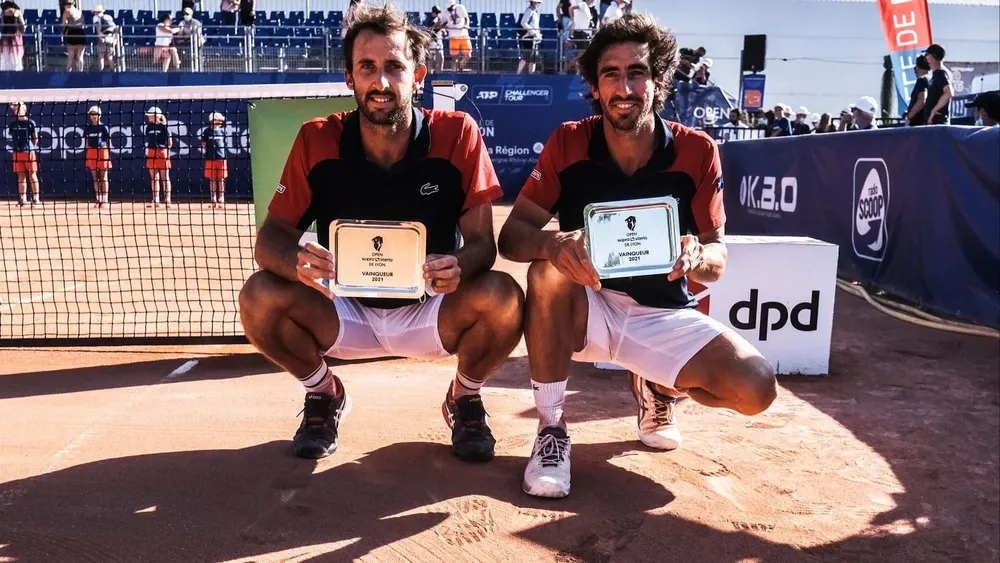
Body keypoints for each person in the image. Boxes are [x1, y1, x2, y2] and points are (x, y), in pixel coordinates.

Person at [497, 12, 776, 499]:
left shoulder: (697, 151)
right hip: (588, 308)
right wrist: (551, 243)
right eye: (611, 74)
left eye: (637, 72)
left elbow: (718, 255)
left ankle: (657, 386)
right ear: (595, 85)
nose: (624, 87)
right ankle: (551, 429)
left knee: (757, 388)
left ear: (660, 79)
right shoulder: (568, 141)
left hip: (662, 314)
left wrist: (695, 258)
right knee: (547, 271)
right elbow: (513, 235)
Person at [238, 4, 524, 462]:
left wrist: (460, 264)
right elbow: (270, 239)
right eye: (367, 67)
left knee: (504, 296)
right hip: (343, 309)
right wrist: (296, 263)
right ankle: (324, 393)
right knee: (258, 295)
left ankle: (464, 398)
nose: (382, 82)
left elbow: (482, 245)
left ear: (419, 75)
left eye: (394, 66)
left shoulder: (459, 134)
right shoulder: (317, 138)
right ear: (349, 78)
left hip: (431, 308)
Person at [7, 102, 40, 207]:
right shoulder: (13, 124)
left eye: (19, 109)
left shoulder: (30, 123)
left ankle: (36, 199)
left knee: (32, 175)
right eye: (15, 109)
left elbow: (35, 138)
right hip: (17, 152)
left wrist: (30, 148)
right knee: (21, 176)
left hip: (29, 152)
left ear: (24, 110)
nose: (16, 111)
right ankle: (23, 199)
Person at [144, 107, 172, 208]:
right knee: (154, 178)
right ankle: (155, 199)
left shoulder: (164, 127)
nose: (148, 117)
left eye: (150, 115)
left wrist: (165, 153)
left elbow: (170, 143)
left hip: (162, 152)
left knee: (165, 177)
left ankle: (167, 199)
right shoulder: (148, 127)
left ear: (155, 116)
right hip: (151, 153)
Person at [84, 106, 112, 208]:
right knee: (95, 177)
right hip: (92, 152)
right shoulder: (88, 128)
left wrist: (107, 154)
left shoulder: (104, 127)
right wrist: (88, 150)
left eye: (95, 114)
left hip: (102, 151)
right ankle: (98, 199)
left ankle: (105, 199)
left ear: (99, 115)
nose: (93, 116)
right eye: (91, 114)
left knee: (104, 177)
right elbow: (87, 141)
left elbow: (109, 141)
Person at [201, 111, 228, 208]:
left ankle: (221, 198)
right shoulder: (206, 132)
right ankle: (213, 199)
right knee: (212, 179)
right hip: (210, 159)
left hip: (221, 158)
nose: (221, 121)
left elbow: (225, 144)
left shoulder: (222, 131)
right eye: (219, 120)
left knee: (220, 179)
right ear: (213, 120)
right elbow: (203, 144)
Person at [923, 44, 952, 125]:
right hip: (934, 122)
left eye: (927, 55)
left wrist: (933, 111)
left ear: (933, 56)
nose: (925, 58)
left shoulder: (940, 73)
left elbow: (949, 93)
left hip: (937, 122)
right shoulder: (936, 74)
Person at [444, 0, 471, 72]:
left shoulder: (461, 8)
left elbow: (466, 18)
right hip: (453, 37)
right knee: (454, 57)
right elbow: (443, 22)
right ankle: (454, 72)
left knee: (468, 55)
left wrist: (466, 25)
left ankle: (460, 67)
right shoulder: (446, 13)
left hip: (463, 35)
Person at [517, 0, 542, 74]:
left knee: (533, 58)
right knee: (526, 56)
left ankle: (531, 74)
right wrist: (532, 32)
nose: (538, 4)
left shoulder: (535, 12)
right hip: (529, 37)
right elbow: (523, 22)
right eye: (537, 2)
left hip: (534, 38)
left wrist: (537, 35)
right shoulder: (529, 11)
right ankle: (518, 73)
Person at [904, 54, 930, 126]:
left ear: (917, 68)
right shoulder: (932, 80)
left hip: (918, 124)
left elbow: (922, 100)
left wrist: (909, 116)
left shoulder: (922, 80)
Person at [61, 0, 86, 71]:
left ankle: (68, 73)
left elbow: (63, 24)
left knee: (71, 56)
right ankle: (81, 72)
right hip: (81, 33)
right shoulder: (79, 12)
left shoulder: (67, 11)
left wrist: (64, 31)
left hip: (72, 33)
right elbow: (82, 23)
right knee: (80, 56)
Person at [0, 4, 25, 71]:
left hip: (8, 36)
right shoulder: (17, 11)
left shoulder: (4, 12)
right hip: (13, 37)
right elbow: (23, 26)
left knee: (7, 59)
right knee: (14, 58)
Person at [425, 5, 445, 73]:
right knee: (431, 58)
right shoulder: (430, 20)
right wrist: (437, 24)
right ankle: (430, 73)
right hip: (432, 41)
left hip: (439, 40)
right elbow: (429, 29)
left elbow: (442, 29)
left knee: (441, 57)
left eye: (438, 12)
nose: (437, 14)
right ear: (433, 13)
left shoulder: (440, 19)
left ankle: (440, 73)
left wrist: (443, 30)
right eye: (436, 12)